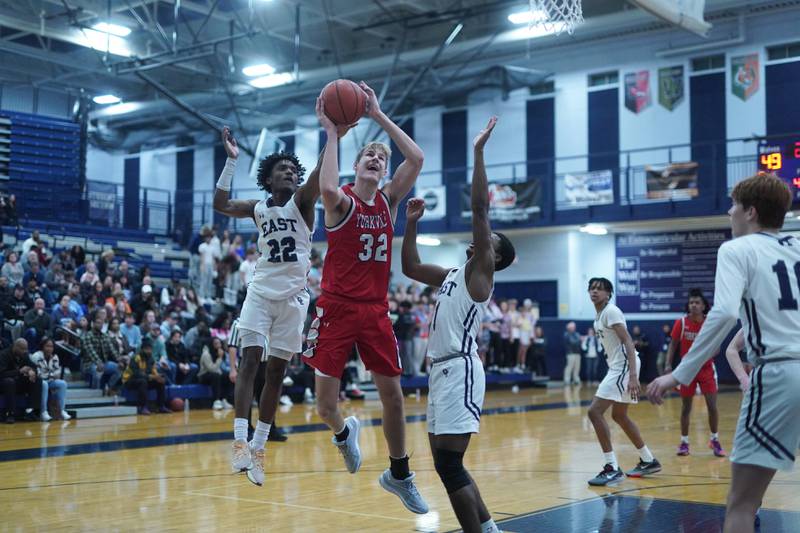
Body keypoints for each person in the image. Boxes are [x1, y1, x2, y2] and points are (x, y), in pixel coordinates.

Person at [648, 173, 799, 533]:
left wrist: (679, 373)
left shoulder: (735, 249)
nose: (728, 212)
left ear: (749, 211)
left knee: (741, 504)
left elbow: (726, 312)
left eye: (733, 206)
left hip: (778, 376)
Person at [303, 83, 428, 514]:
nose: (377, 160)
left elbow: (416, 158)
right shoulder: (340, 202)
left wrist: (377, 115)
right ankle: (343, 433)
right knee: (324, 406)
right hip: (334, 307)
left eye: (381, 158)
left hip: (374, 309)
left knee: (393, 395)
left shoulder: (389, 201)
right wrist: (332, 133)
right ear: (356, 166)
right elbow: (326, 185)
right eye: (369, 156)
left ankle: (399, 473)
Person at [401, 116, 513, 533]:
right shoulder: (452, 272)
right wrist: (410, 224)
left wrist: (479, 152)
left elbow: (481, 209)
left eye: (489, 241)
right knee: (446, 464)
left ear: (493, 256)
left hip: (461, 368)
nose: (481, 239)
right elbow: (410, 267)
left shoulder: (481, 273)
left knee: (449, 464)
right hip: (440, 370)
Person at [213, 125, 326, 487]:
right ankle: (239, 443)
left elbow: (321, 173)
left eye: (294, 170)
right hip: (260, 292)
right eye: (283, 170)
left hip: (294, 298)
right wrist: (231, 161)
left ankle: (260, 448)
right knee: (249, 362)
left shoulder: (303, 203)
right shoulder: (258, 208)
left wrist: (333, 133)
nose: (290, 173)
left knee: (276, 373)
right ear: (268, 179)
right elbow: (220, 204)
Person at [586, 277, 661, 486]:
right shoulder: (599, 315)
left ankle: (612, 467)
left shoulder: (611, 311)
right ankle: (648, 460)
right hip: (619, 366)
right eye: (591, 289)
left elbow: (628, 340)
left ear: (609, 293)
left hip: (624, 367)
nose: (594, 292)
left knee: (594, 412)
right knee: (619, 415)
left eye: (599, 289)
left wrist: (634, 376)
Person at [664, 288, 725, 457]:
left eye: (697, 302)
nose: (694, 305)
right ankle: (684, 442)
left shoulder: (710, 323)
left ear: (704, 306)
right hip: (687, 370)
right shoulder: (681, 323)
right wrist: (668, 364)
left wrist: (708, 352)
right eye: (691, 302)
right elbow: (673, 345)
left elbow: (717, 348)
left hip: (706, 369)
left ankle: (714, 439)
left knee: (712, 406)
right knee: (686, 408)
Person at [122, 338, 170, 415]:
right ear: (142, 349)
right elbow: (136, 374)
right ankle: (142, 407)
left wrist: (158, 377)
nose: (149, 351)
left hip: (144, 379)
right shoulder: (135, 358)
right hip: (129, 381)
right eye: (147, 349)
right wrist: (151, 377)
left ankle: (161, 406)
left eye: (150, 349)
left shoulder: (151, 359)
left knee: (160, 382)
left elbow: (154, 372)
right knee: (142, 381)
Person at [0, 339, 42, 423]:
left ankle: (32, 411)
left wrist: (32, 371)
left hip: (16, 383)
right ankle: (10, 414)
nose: (25, 351)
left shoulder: (24, 355)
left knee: (37, 380)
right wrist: (19, 371)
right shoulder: (3, 354)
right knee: (9, 382)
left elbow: (34, 366)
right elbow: (2, 374)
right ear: (15, 347)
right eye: (22, 349)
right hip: (4, 384)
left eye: (26, 349)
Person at [30, 337, 70, 421]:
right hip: (37, 382)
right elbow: (38, 374)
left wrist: (50, 375)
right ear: (42, 347)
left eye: (51, 346)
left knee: (62, 383)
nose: (49, 348)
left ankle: (62, 410)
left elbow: (57, 373)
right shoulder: (36, 356)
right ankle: (43, 412)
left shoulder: (55, 357)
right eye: (47, 346)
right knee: (44, 384)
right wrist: (51, 375)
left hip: (49, 380)